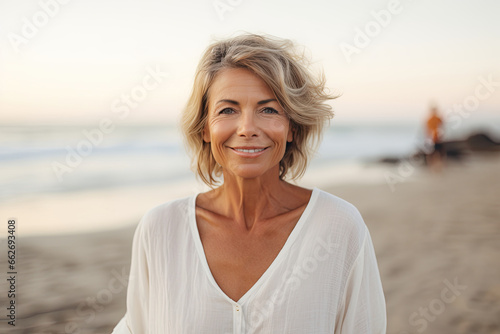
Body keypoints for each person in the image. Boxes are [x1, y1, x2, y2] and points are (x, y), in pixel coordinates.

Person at [111, 33, 386, 334]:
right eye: (227, 110)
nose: (247, 129)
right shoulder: (160, 230)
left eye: (268, 109)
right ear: (205, 129)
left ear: (292, 127)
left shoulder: (340, 227)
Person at [425, 105, 444, 169]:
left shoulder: (438, 118)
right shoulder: (429, 119)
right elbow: (427, 129)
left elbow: (442, 127)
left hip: (437, 138)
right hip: (432, 139)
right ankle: (431, 165)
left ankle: (439, 165)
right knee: (432, 153)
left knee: (439, 152)